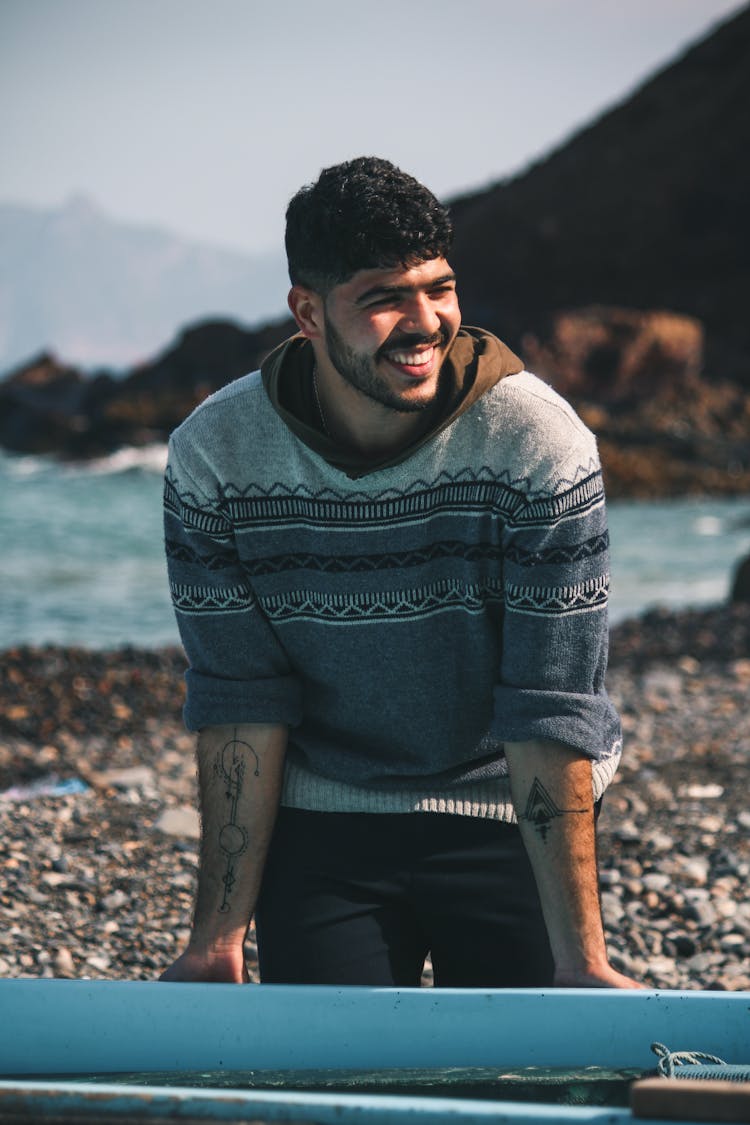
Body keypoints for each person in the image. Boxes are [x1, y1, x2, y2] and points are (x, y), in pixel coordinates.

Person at [160, 156, 639, 990]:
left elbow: (551, 707)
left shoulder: (539, 444)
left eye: (440, 288)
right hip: (325, 816)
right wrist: (215, 939)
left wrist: (582, 960)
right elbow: (240, 701)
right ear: (307, 312)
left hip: (502, 808)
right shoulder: (216, 455)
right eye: (383, 298)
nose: (426, 322)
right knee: (333, 1087)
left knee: (512, 1094)